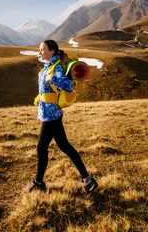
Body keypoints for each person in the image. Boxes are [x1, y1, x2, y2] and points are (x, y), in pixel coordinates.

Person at [29, 39, 98, 193]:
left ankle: (39, 183)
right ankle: (87, 180)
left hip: (52, 116)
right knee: (64, 146)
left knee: (41, 148)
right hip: (49, 114)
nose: (40, 52)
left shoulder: (56, 67)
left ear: (52, 51)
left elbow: (67, 86)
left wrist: (51, 78)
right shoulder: (48, 66)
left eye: (42, 49)